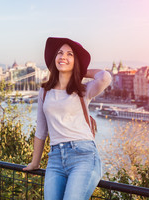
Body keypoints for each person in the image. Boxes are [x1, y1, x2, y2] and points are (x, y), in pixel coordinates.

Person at [23, 37, 112, 200]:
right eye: (60, 53)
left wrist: (80, 70)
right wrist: (35, 163)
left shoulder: (84, 90)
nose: (63, 57)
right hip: (55, 159)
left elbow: (105, 77)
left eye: (70, 54)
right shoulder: (45, 91)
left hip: (83, 155)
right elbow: (41, 130)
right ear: (54, 59)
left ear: (75, 61)